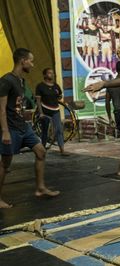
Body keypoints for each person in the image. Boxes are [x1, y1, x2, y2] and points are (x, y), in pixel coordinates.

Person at [0, 48, 60, 208]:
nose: (32, 65)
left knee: (41, 151)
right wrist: (5, 132)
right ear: (22, 61)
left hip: (23, 127)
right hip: (11, 129)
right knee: (5, 164)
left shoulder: (21, 81)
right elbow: (1, 109)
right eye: (30, 61)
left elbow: (18, 105)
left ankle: (40, 188)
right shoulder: (6, 80)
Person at [35, 68, 68, 155]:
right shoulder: (40, 86)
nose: (52, 75)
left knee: (59, 130)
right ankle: (42, 149)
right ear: (45, 75)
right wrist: (41, 113)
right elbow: (38, 101)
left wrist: (56, 99)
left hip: (55, 111)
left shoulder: (56, 86)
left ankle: (62, 150)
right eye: (49, 73)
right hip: (45, 111)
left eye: (52, 73)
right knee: (45, 131)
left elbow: (60, 96)